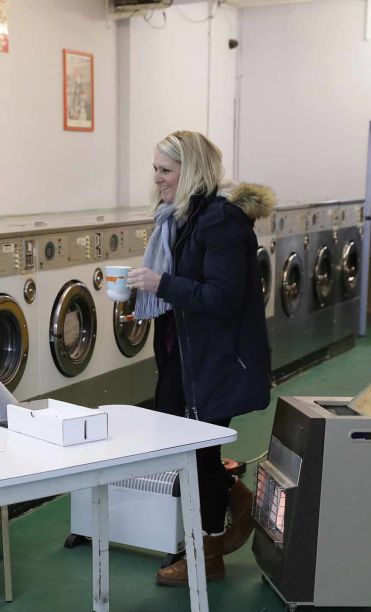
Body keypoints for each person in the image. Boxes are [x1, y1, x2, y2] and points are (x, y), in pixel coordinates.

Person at [127, 130, 274, 587]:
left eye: (166, 170)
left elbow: (224, 297)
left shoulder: (220, 222)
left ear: (191, 172)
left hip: (215, 359)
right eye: (155, 169)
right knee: (186, 449)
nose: (158, 179)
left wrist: (161, 284)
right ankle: (238, 503)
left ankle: (206, 556)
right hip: (182, 355)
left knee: (199, 456)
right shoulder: (178, 218)